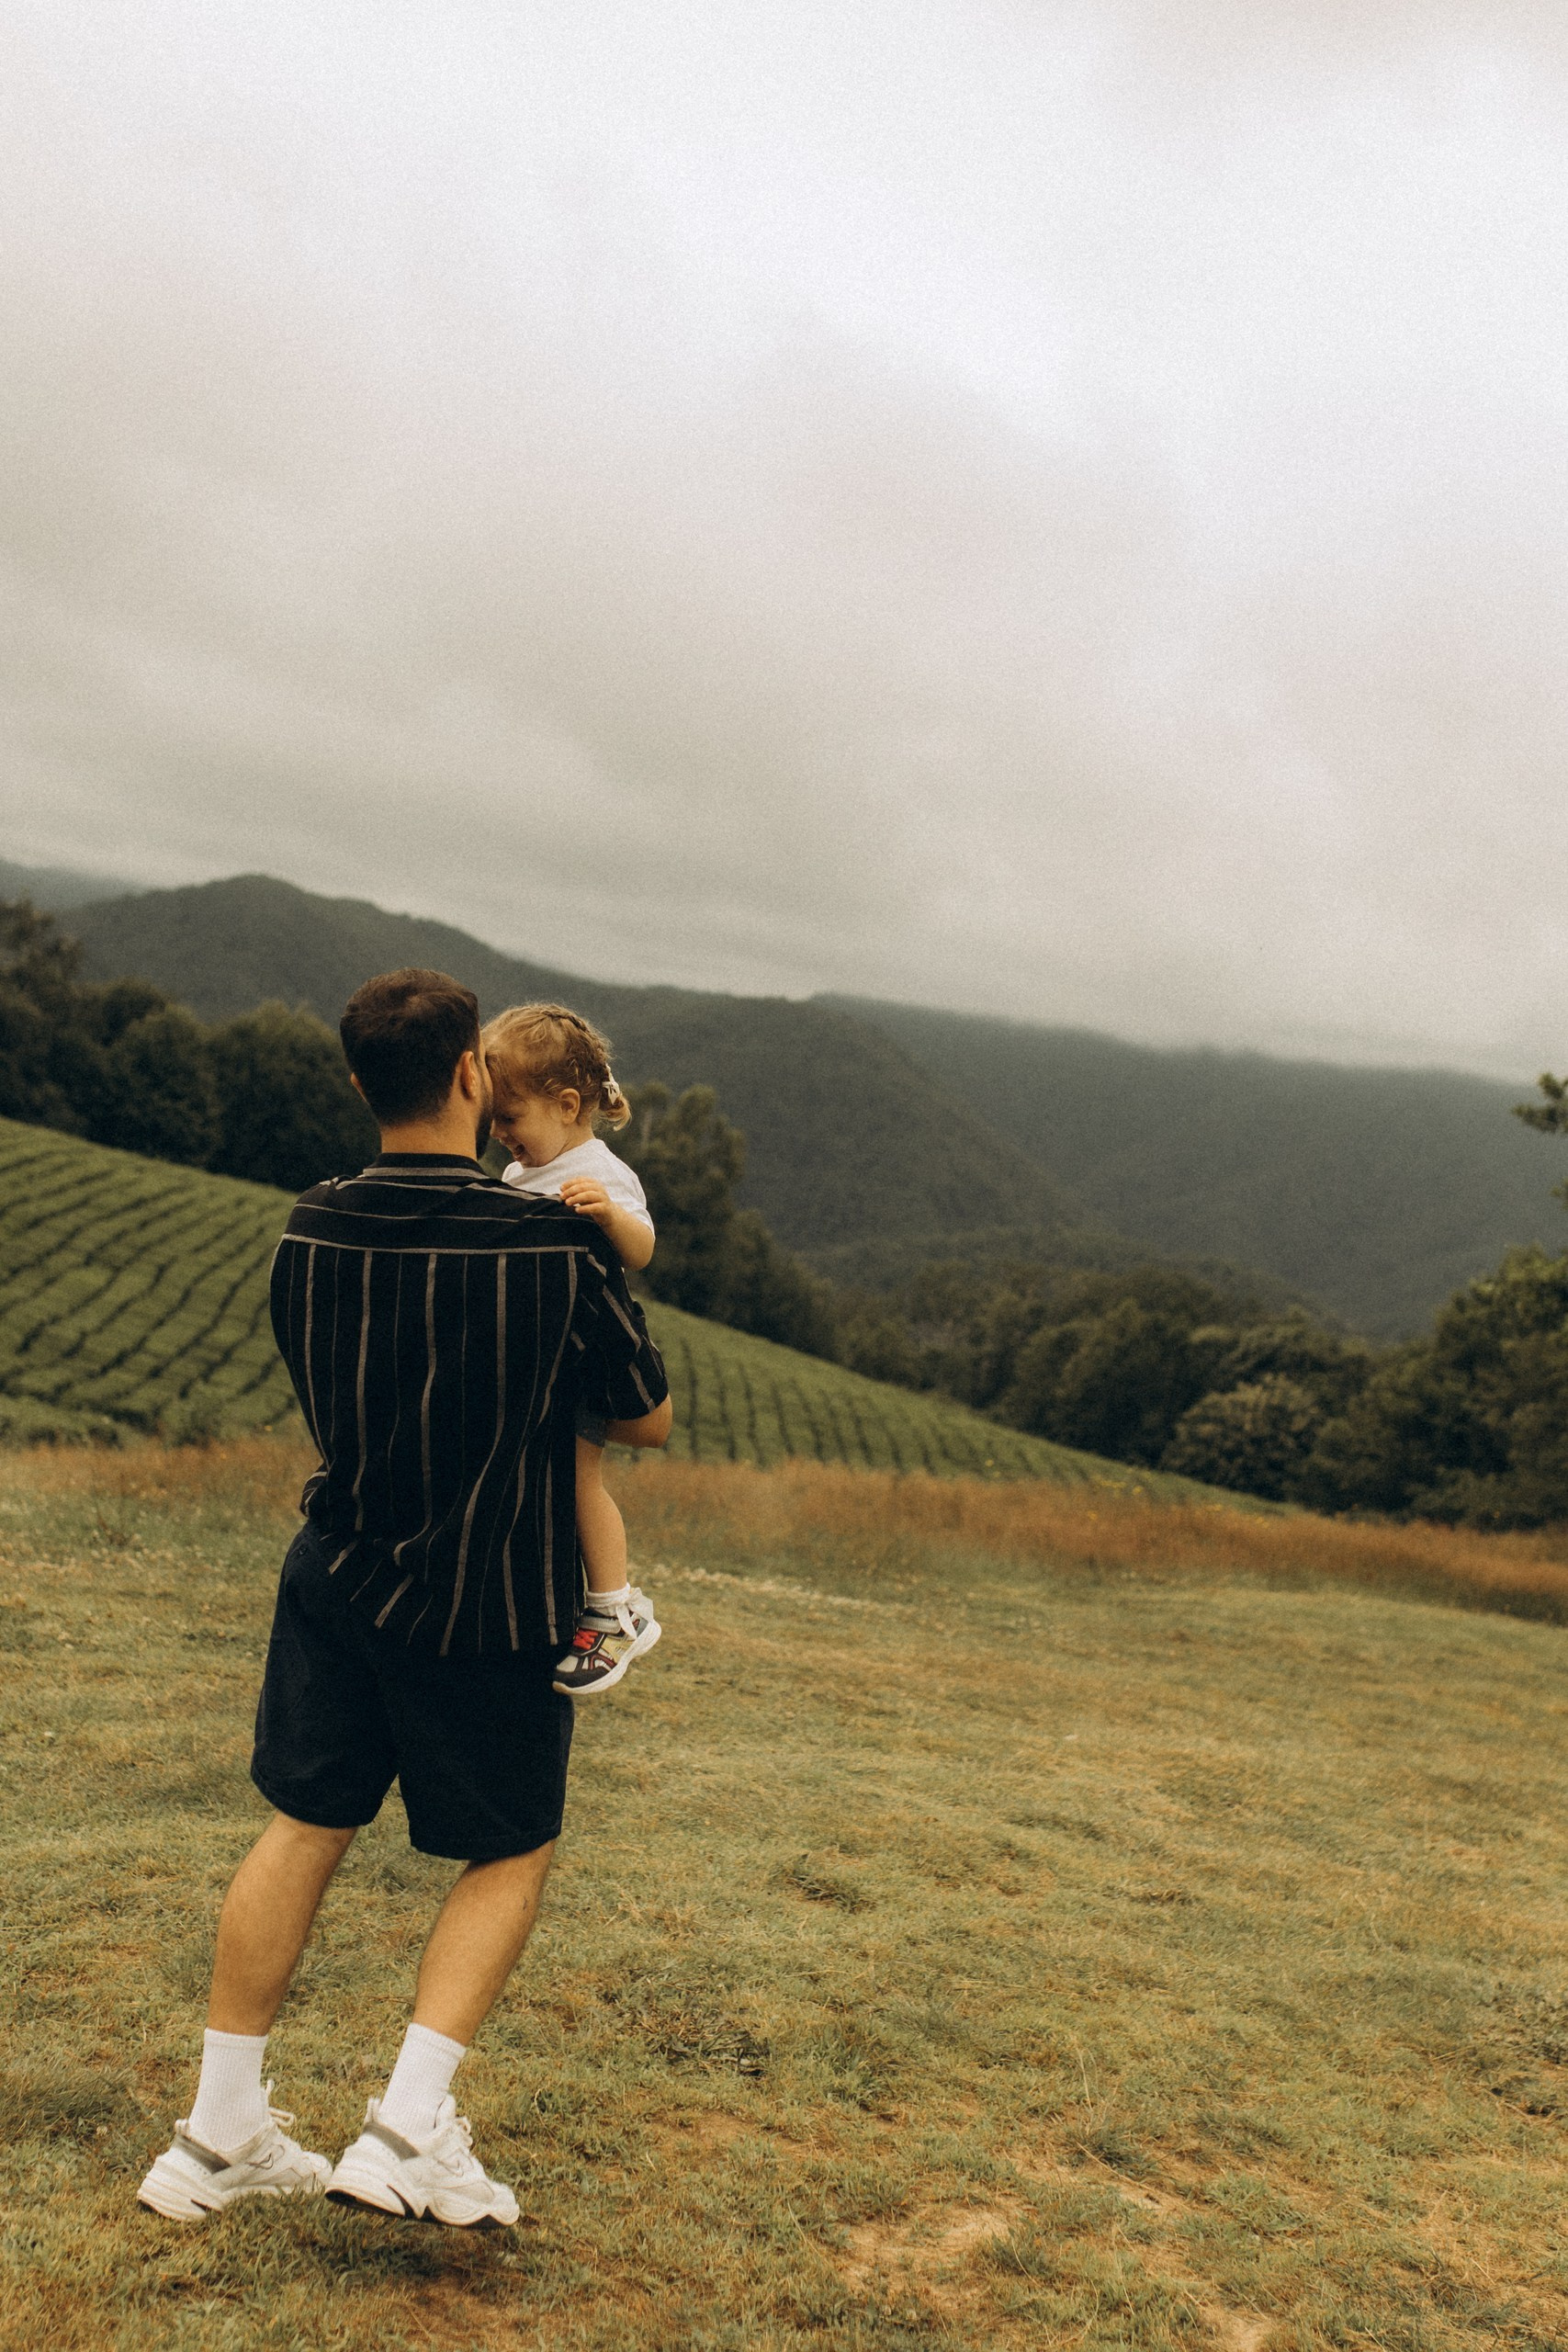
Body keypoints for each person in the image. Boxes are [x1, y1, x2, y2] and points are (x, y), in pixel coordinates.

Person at [137, 967, 671, 2227]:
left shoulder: (307, 1224)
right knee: (509, 1845)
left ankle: (215, 2138)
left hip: (337, 1571)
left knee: (305, 1822)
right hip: (489, 1590)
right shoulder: (547, 1241)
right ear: (473, 1080)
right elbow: (643, 1416)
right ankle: (404, 2127)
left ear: (356, 1081)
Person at [482, 1001, 660, 1701]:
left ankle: (613, 1608)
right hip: (541, 1365)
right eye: (494, 1120)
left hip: (582, 1364)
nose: (499, 1136)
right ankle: (618, 1604)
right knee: (560, 1485)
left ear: (564, 1105)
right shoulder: (519, 1175)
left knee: (579, 1482)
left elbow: (641, 1250)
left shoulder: (596, 1172)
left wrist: (610, 1215)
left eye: (510, 1119)